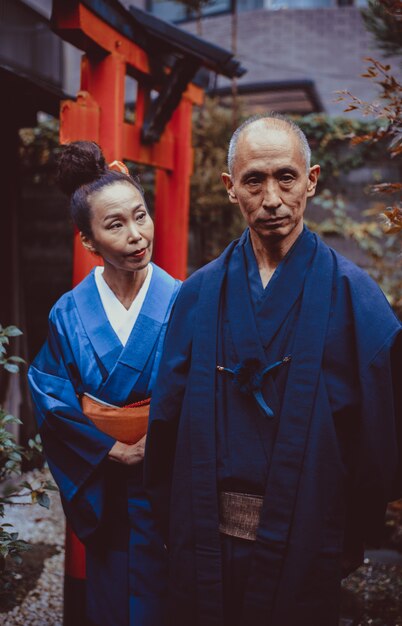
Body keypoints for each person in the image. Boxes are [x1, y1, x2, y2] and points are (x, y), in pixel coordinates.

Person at [144, 113, 402, 626]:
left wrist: (356, 529)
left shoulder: (355, 297)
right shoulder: (198, 293)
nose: (272, 198)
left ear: (311, 179)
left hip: (309, 529)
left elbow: (377, 428)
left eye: (286, 177)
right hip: (205, 536)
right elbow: (167, 421)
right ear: (230, 188)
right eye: (253, 180)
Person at [28, 141, 180, 626]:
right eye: (116, 225)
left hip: (168, 483)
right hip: (107, 487)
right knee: (112, 600)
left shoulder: (185, 299)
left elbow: (206, 387)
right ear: (88, 242)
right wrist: (110, 450)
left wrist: (155, 439)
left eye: (141, 216)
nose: (137, 235)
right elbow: (50, 396)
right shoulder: (68, 312)